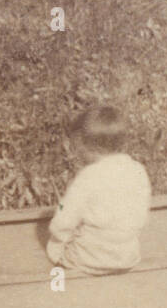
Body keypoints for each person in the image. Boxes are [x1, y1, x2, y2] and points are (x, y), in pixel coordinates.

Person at [46, 106, 153, 275]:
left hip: (89, 260)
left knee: (55, 247)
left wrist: (57, 241)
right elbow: (142, 216)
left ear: (83, 145)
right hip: (127, 257)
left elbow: (63, 222)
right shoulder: (137, 170)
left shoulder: (88, 176)